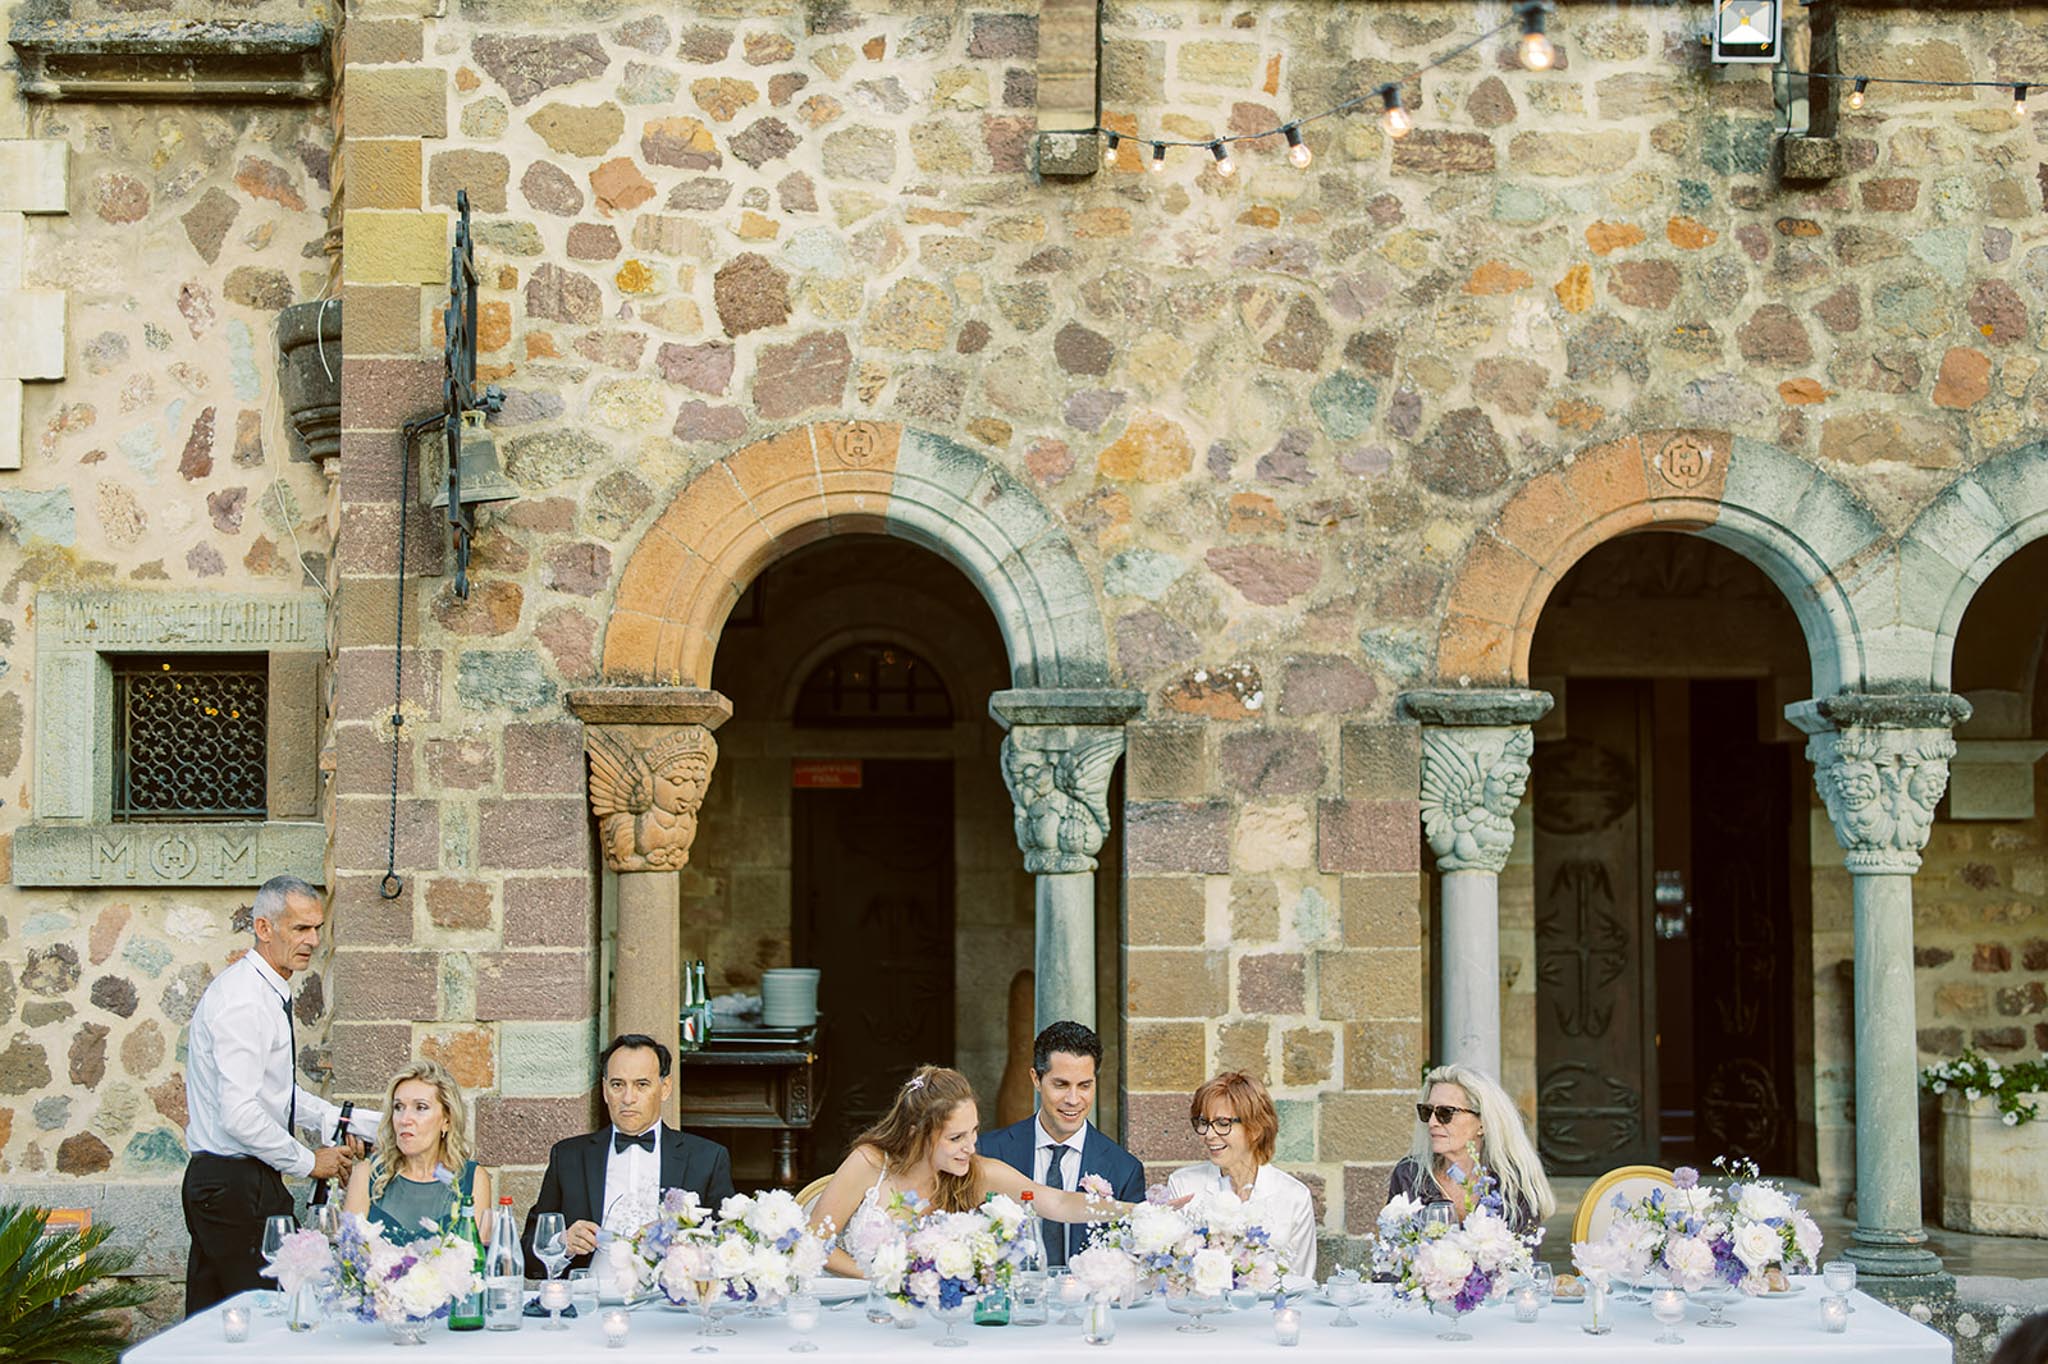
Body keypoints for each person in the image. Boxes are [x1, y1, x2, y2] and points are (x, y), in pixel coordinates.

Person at [180, 875, 378, 1317]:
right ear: (264, 928)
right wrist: (311, 1163)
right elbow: (240, 1114)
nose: (311, 941)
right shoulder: (245, 1001)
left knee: (214, 1321)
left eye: (316, 929)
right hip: (235, 1185)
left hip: (235, 1183)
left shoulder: (262, 992)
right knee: (269, 1317)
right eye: (299, 929)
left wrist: (346, 1122)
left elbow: (274, 1092)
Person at [809, 1065, 1154, 1277]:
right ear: (918, 1133)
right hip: (858, 1308)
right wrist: (881, 1279)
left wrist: (1140, 1212)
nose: (971, 1147)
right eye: (956, 1137)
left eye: (974, 1132)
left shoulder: (977, 1172)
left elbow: (1059, 1203)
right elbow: (816, 1244)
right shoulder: (869, 1163)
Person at [521, 1033, 735, 1278]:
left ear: (665, 1088)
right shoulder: (569, 1156)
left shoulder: (706, 1158)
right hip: (590, 1302)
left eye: (641, 1085)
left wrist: (677, 1239)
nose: (628, 1098)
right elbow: (528, 1256)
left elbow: (728, 1250)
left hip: (671, 1304)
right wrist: (562, 1244)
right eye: (617, 1085)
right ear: (604, 1090)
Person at [978, 1020, 1146, 1266]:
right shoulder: (990, 1151)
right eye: (1061, 1084)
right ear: (1036, 1079)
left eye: (1085, 1086)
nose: (1073, 1099)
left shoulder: (1125, 1170)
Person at [1165, 1071, 1318, 1280]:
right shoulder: (1184, 1184)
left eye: (1223, 1123)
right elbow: (1175, 1273)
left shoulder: (1294, 1197)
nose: (1209, 1135)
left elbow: (1301, 1279)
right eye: (1204, 1122)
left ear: (1255, 1129)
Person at [1384, 1063, 1554, 1235]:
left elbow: (1526, 1257)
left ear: (1483, 1123)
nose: (1432, 1123)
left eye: (1445, 1113)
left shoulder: (1512, 1183)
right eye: (1427, 1111)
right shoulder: (1410, 1175)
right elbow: (1392, 1247)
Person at [344, 1060, 493, 1241]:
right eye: (398, 1107)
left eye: (420, 1107)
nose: (405, 1119)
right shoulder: (367, 1173)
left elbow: (477, 1261)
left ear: (447, 1120)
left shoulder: (473, 1179)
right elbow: (348, 1254)